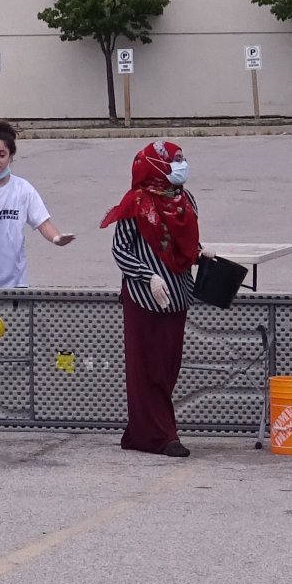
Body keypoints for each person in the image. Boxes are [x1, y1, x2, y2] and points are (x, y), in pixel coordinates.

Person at [103, 140, 201, 458]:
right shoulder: (136, 202)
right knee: (148, 368)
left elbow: (183, 244)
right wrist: (148, 275)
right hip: (145, 297)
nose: (182, 166)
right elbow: (121, 249)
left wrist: (200, 253)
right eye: (176, 161)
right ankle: (161, 436)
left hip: (179, 294)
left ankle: (141, 432)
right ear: (157, 166)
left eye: (182, 160)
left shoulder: (186, 200)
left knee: (169, 366)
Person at [0, 120, 74, 289]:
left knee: (15, 317)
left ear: (11, 156)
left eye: (2, 155)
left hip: (15, 278)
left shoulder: (23, 189)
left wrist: (56, 238)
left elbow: (43, 222)